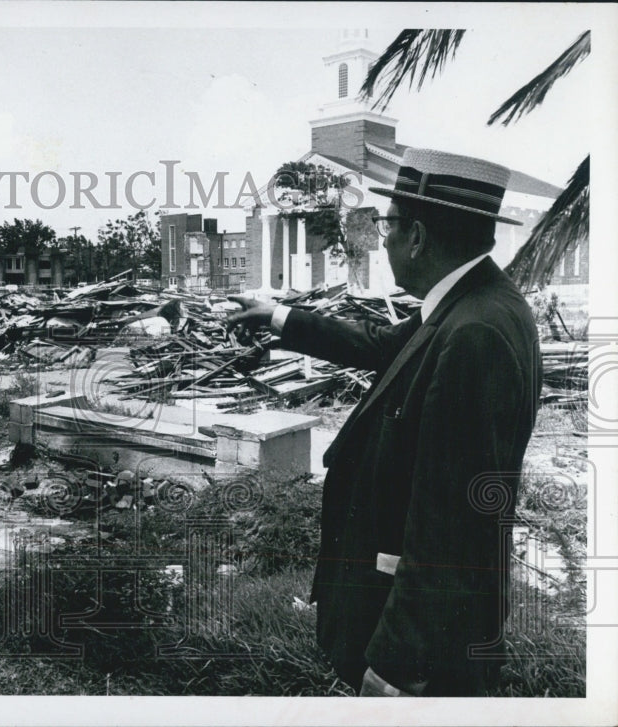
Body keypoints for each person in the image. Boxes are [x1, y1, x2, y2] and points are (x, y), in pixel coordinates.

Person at [228, 149, 542, 697]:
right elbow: (384, 346)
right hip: (433, 624)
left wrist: (396, 665)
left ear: (417, 237)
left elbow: (453, 523)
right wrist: (281, 317)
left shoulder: (474, 334)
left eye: (386, 223)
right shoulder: (473, 305)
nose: (382, 238)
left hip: (423, 647)